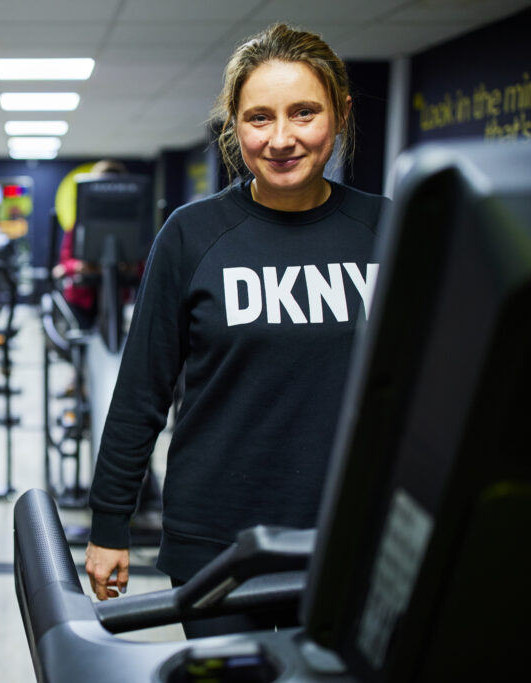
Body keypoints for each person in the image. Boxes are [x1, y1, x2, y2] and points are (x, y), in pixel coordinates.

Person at [84, 23, 390, 637]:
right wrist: (109, 524)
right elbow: (142, 392)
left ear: (341, 113)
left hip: (353, 534)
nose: (281, 138)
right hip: (217, 539)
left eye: (304, 113)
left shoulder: (388, 229)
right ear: (233, 123)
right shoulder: (192, 234)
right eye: (259, 118)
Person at [52, 160, 129, 330]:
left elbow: (140, 264)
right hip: (83, 298)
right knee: (83, 342)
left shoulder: (131, 227)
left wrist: (125, 266)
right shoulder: (78, 224)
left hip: (116, 297)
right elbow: (65, 261)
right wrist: (78, 267)